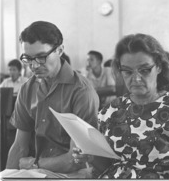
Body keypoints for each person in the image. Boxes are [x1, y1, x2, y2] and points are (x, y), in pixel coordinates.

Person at [73, 33, 169, 179]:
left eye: (144, 70)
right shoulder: (111, 111)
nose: (135, 78)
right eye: (127, 71)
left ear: (159, 67)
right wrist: (90, 157)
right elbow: (109, 167)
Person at [6, 21, 100, 174]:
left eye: (41, 57)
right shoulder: (27, 88)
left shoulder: (82, 91)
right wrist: (7, 175)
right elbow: (19, 146)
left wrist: (35, 164)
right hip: (38, 171)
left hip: (73, 174)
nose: (34, 65)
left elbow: (74, 160)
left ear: (60, 50)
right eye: (28, 58)